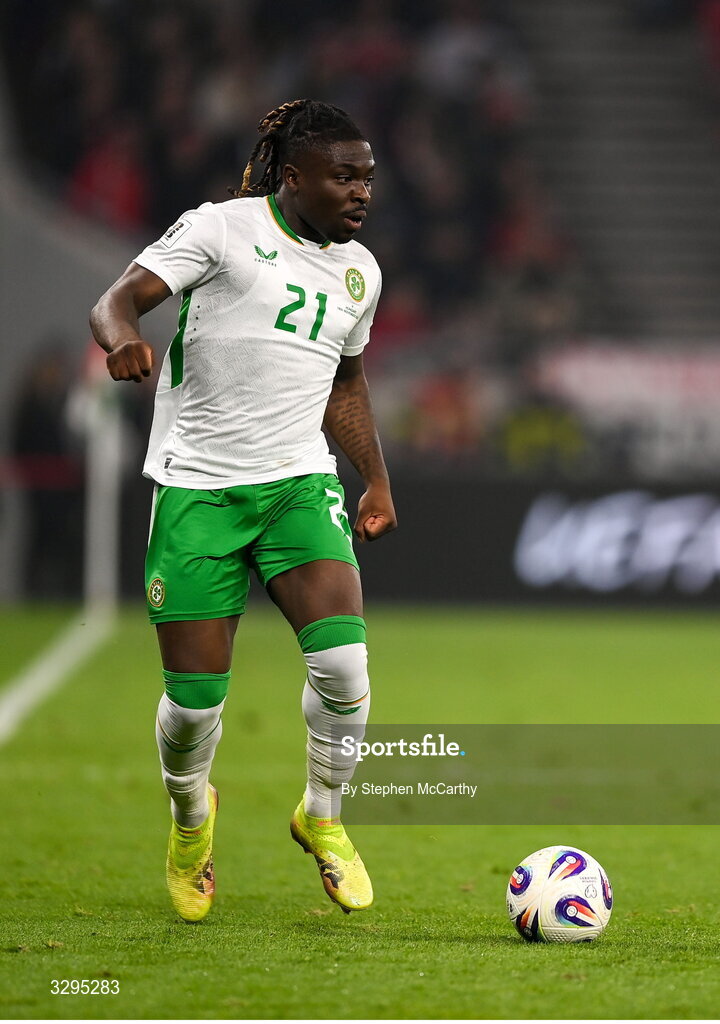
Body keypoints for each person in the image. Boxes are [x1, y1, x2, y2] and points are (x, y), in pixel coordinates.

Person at [89, 99, 396, 922]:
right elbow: (117, 299)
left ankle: (322, 819)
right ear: (293, 177)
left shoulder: (360, 272)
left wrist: (374, 477)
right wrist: (121, 337)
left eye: (367, 177)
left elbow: (346, 383)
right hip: (198, 489)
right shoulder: (221, 230)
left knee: (345, 672)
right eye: (344, 176)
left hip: (299, 483)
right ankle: (192, 825)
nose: (361, 192)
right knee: (193, 709)